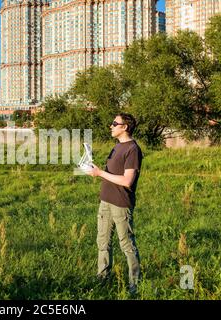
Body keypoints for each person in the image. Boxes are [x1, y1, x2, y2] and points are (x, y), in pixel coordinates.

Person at [87, 113, 143, 295]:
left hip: (120, 203)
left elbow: (127, 180)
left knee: (126, 244)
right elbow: (111, 173)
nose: (110, 126)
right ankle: (102, 280)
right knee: (102, 242)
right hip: (106, 201)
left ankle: (135, 286)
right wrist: (95, 170)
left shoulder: (132, 149)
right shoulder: (117, 147)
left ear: (125, 127)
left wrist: (100, 173)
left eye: (114, 123)